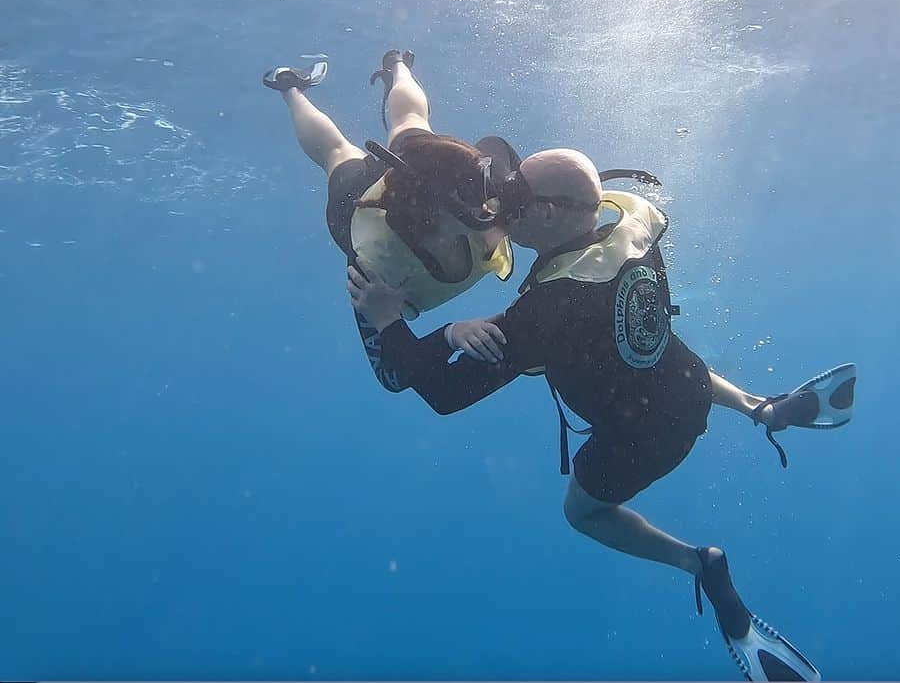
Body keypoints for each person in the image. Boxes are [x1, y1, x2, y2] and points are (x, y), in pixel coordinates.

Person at [346, 147, 857, 681]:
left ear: (547, 213)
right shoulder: (631, 223)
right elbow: (577, 313)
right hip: (681, 382)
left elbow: (444, 395)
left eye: (515, 194)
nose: (501, 200)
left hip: (643, 438)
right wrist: (498, 325)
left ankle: (698, 564)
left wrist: (388, 322)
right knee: (664, 357)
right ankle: (761, 407)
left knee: (583, 515)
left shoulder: (547, 311)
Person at [262, 49, 518, 391]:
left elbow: (495, 146)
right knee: (336, 152)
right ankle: (289, 87)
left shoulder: (473, 182)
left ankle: (397, 63)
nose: (489, 210)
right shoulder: (375, 268)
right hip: (357, 205)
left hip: (424, 170)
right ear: (442, 210)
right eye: (474, 200)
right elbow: (391, 375)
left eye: (484, 192)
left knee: (412, 122)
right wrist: (442, 333)